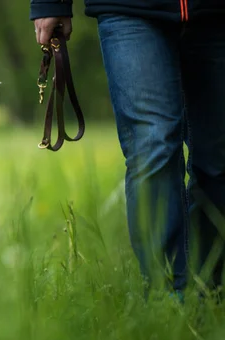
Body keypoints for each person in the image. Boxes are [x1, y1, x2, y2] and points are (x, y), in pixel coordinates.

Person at [30, 0, 225, 299]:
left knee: (218, 160)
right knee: (152, 145)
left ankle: (211, 294)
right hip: (129, 9)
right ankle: (168, 301)